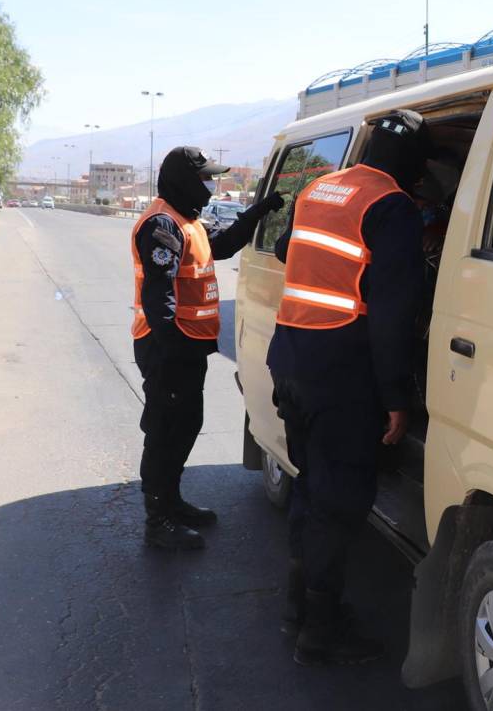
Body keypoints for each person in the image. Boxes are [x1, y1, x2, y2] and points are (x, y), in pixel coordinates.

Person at [268, 109, 430, 665]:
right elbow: (391, 315)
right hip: (342, 375)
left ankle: (297, 609)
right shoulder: (394, 208)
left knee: (311, 489)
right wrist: (395, 398)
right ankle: (320, 630)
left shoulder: (320, 188)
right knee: (338, 505)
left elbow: (287, 250)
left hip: (291, 359)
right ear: (411, 165)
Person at [130, 146, 284, 550]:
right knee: (165, 431)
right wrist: (173, 348)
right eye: (205, 179)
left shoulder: (189, 222)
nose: (211, 186)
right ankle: (157, 521)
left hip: (187, 347)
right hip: (167, 347)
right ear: (185, 180)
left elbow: (224, 245)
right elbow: (157, 295)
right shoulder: (162, 224)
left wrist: (258, 212)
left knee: (186, 425)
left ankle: (173, 502)